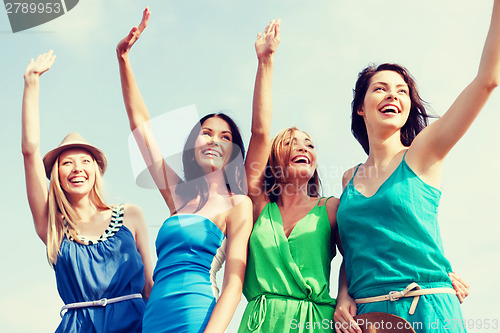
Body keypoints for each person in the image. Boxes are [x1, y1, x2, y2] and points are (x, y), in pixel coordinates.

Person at [334, 1, 500, 332]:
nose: (391, 95)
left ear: (409, 106)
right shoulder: (349, 178)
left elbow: (487, 80)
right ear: (361, 108)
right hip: (366, 320)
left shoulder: (423, 152)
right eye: (379, 88)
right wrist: (342, 295)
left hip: (426, 308)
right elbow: (352, 250)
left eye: (401, 91)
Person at [116, 8, 253, 333]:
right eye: (207, 132)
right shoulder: (179, 194)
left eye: (225, 137)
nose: (215, 141)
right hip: (153, 317)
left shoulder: (238, 204)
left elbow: (234, 283)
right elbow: (141, 128)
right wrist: (123, 59)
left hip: (197, 316)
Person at [21, 51, 153, 333]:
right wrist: (31, 83)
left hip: (137, 326)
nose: (76, 168)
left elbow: (151, 286)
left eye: (84, 161)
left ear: (95, 171)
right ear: (56, 176)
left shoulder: (130, 214)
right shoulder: (53, 227)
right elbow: (29, 152)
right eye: (67, 163)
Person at [237, 19, 339, 333]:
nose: (303, 147)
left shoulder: (331, 208)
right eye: (292, 143)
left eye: (309, 144)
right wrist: (265, 61)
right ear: (274, 157)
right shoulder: (257, 203)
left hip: (317, 323)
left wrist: (432, 274)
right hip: (262, 323)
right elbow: (259, 131)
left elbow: (364, 255)